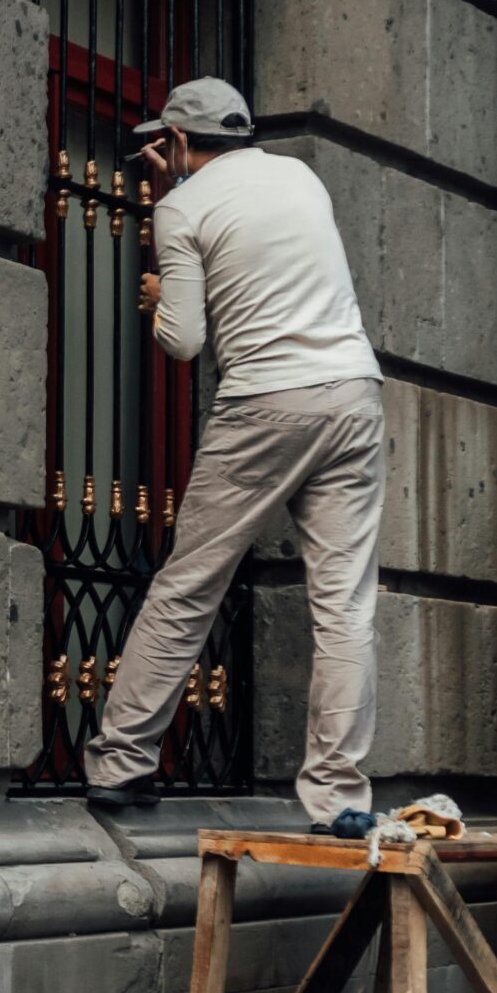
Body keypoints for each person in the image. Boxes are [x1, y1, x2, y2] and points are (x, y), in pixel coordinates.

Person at [81, 78, 384, 839]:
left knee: (190, 583)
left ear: (178, 142)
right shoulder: (301, 176)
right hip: (352, 391)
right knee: (344, 603)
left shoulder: (180, 205)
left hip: (264, 401)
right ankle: (340, 796)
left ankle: (121, 762)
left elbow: (184, 340)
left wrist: (158, 290)